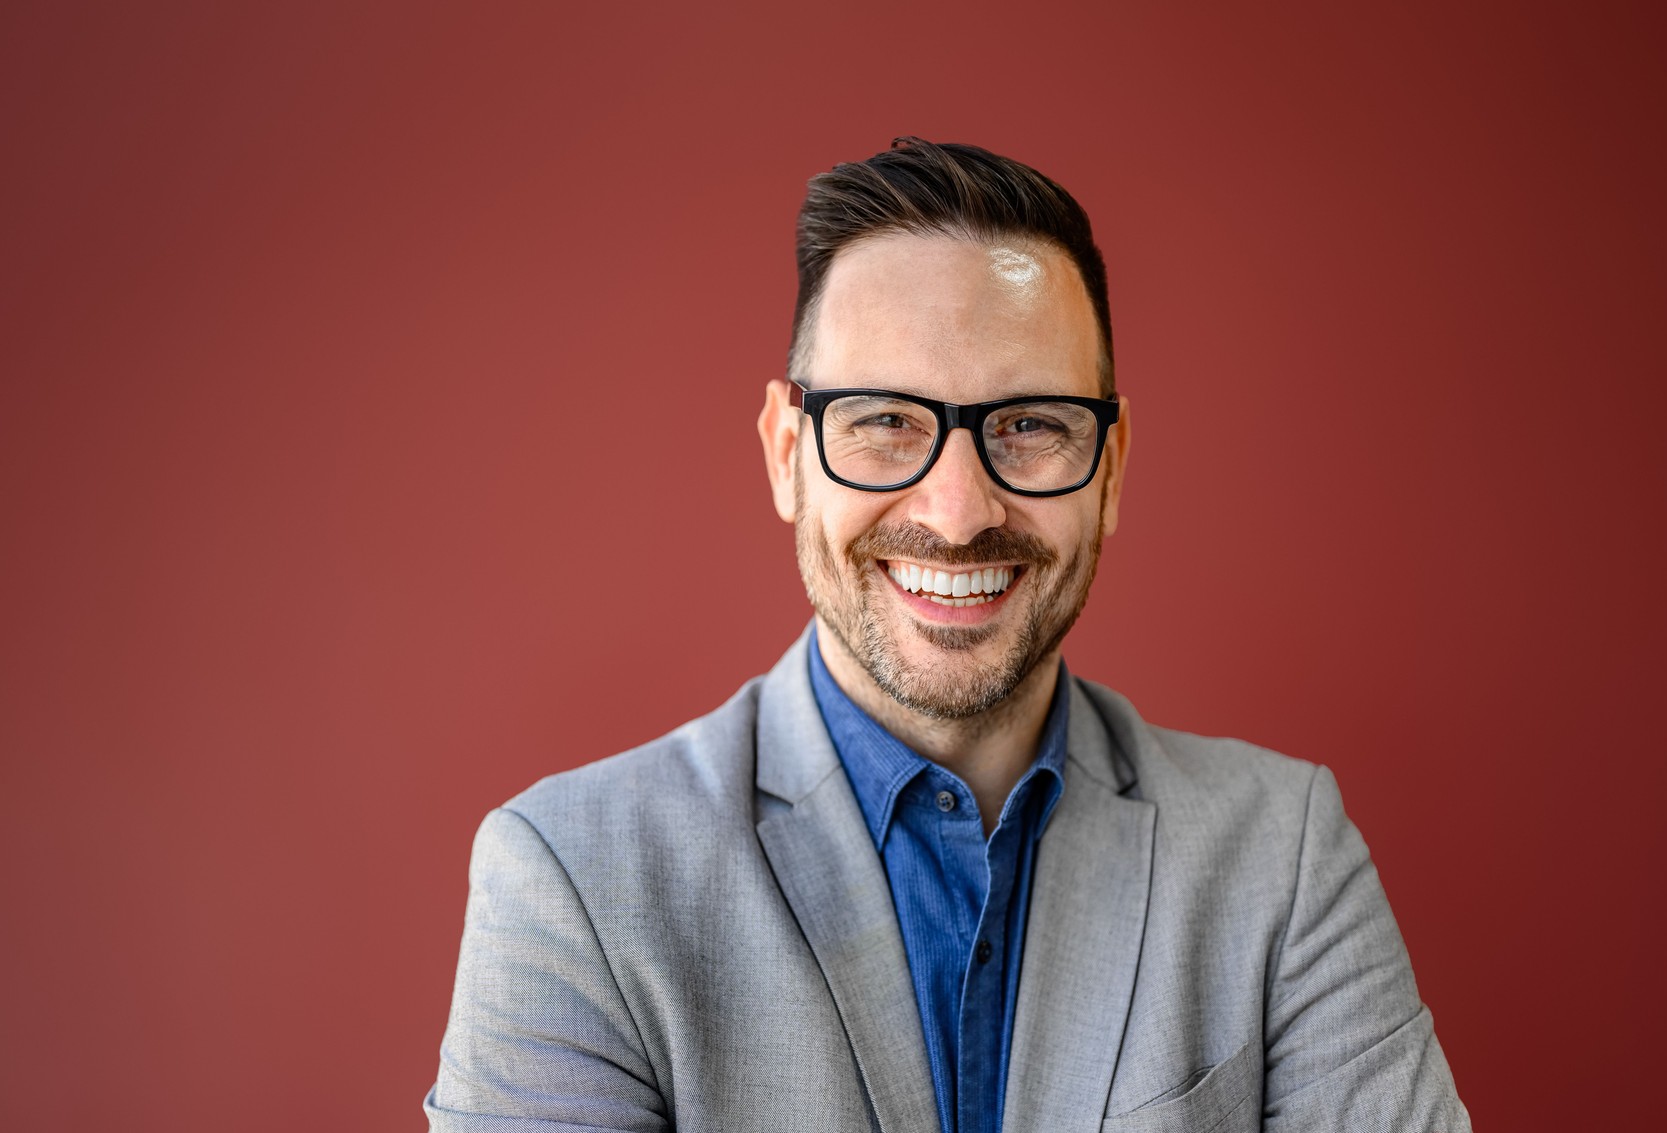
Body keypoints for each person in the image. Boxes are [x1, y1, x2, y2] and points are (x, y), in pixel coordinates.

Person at [425, 138, 1471, 1133]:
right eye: (884, 419)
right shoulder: (574, 881)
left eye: (1031, 423)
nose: (961, 511)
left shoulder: (1283, 856)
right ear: (787, 454)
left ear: (1110, 470)